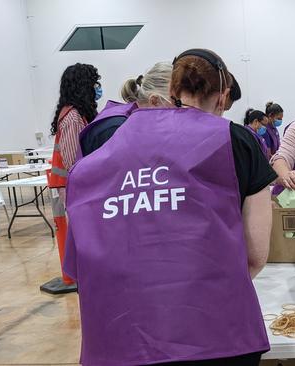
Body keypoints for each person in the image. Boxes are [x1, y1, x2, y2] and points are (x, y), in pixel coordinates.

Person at [63, 48, 275, 365]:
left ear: (173, 91)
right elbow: (255, 255)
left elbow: (81, 267)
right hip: (216, 334)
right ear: (224, 95)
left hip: (120, 338)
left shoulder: (92, 161)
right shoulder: (235, 141)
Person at [44, 63, 100, 294]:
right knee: (76, 234)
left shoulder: (75, 113)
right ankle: (76, 275)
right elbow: (73, 161)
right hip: (68, 188)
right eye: (94, 83)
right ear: (83, 85)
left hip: (69, 186)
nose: (97, 88)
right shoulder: (73, 117)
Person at [79, 62, 173, 157]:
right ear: (154, 101)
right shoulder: (117, 129)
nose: (182, 110)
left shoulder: (130, 119)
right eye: (178, 103)